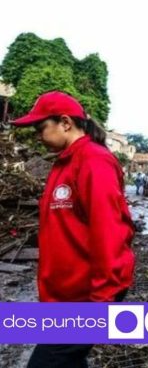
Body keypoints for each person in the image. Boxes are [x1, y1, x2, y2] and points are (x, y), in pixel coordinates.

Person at [10, 91, 135, 367]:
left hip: (87, 296)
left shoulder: (93, 160)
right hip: (66, 295)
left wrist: (103, 299)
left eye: (40, 127)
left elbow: (109, 231)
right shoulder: (64, 163)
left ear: (65, 123)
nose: (37, 136)